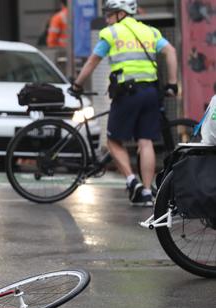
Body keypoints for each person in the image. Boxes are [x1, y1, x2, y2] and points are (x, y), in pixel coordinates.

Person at [69, 0, 178, 207]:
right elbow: (171, 51)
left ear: (120, 14)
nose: (107, 18)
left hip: (127, 93)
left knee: (113, 141)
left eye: (110, 14)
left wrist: (77, 84)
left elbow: (93, 61)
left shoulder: (112, 33)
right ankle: (146, 193)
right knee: (145, 142)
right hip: (151, 92)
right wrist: (172, 84)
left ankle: (131, 181)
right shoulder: (150, 31)